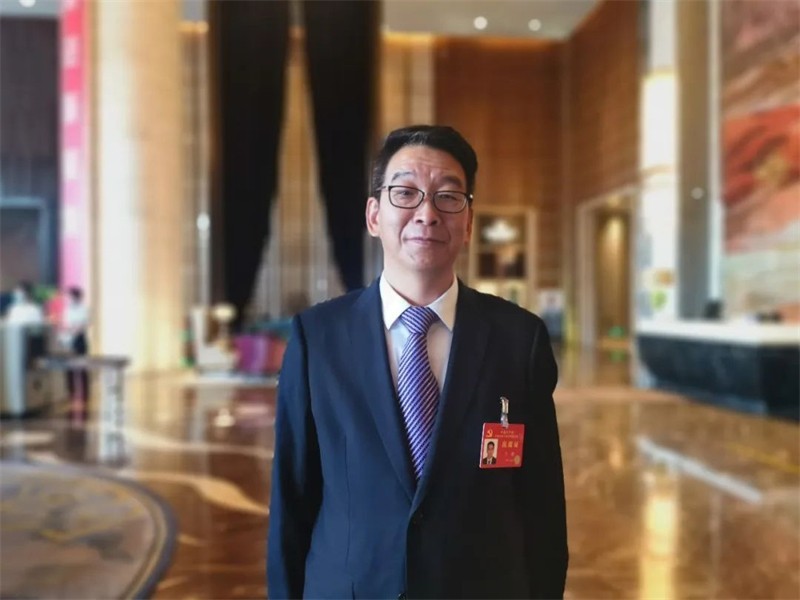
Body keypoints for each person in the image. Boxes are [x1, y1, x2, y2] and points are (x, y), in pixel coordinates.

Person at [268, 125, 567, 599]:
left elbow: (542, 506)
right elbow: (292, 500)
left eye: (448, 196)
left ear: (469, 222)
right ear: (374, 215)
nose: (427, 213)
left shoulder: (519, 339)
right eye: (405, 193)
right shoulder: (317, 339)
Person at [60, 287, 90, 401]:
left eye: (71, 296)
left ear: (77, 297)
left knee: (82, 367)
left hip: (80, 340)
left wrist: (74, 329)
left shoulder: (84, 308)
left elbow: (84, 325)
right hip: (68, 340)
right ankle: (71, 392)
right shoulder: (67, 309)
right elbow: (66, 324)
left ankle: (85, 393)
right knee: (69, 368)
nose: (69, 299)